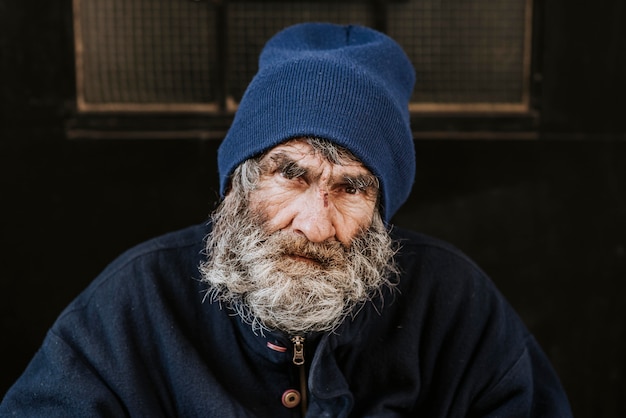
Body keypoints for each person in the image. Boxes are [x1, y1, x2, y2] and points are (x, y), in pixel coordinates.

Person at [0, 22, 572, 417]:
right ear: (238, 183)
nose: (313, 224)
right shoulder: (134, 305)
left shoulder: (456, 306)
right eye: (290, 173)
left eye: (352, 187)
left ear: (381, 211)